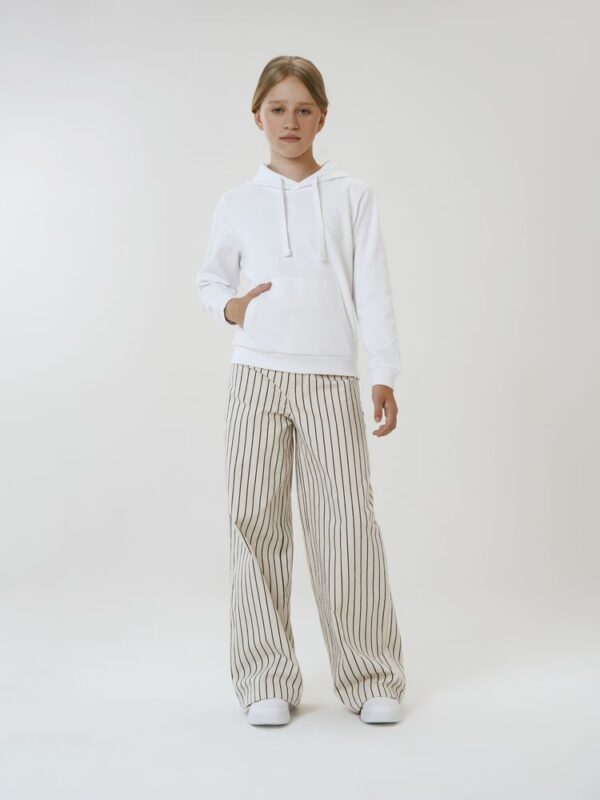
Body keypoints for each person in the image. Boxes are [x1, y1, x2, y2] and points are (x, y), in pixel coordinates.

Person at [196, 55, 407, 726]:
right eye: (277, 108)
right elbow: (210, 281)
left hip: (330, 377)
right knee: (253, 521)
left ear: (322, 116)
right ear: (257, 116)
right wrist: (231, 307)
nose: (290, 121)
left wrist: (383, 372)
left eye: (303, 109)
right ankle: (265, 677)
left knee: (346, 524)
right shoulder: (237, 203)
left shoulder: (352, 196)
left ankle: (370, 674)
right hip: (256, 376)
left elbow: (374, 288)